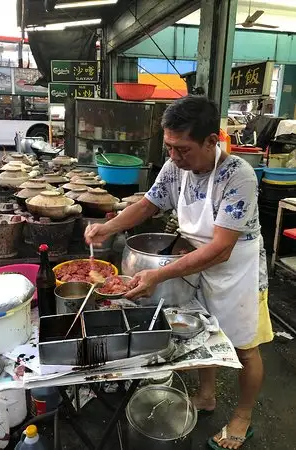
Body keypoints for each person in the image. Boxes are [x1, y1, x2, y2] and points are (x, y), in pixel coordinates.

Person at [85, 96, 274, 450]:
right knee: (204, 334)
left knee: (245, 347)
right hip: (195, 266)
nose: (173, 157)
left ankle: (243, 416)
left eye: (182, 149)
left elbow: (221, 248)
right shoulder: (176, 168)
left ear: (210, 141)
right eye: (169, 147)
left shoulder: (239, 177)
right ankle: (205, 397)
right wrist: (108, 229)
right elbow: (148, 204)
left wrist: (159, 275)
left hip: (239, 272)